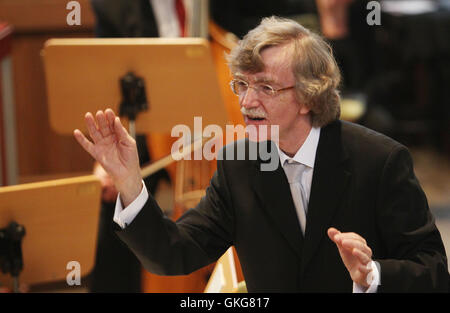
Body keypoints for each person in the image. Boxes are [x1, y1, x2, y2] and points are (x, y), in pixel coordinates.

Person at [73, 17, 449, 292]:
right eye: (242, 85)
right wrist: (129, 182)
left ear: (308, 96)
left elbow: (433, 270)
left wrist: (373, 275)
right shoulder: (239, 165)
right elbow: (176, 254)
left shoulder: (380, 160)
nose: (247, 102)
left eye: (265, 88)